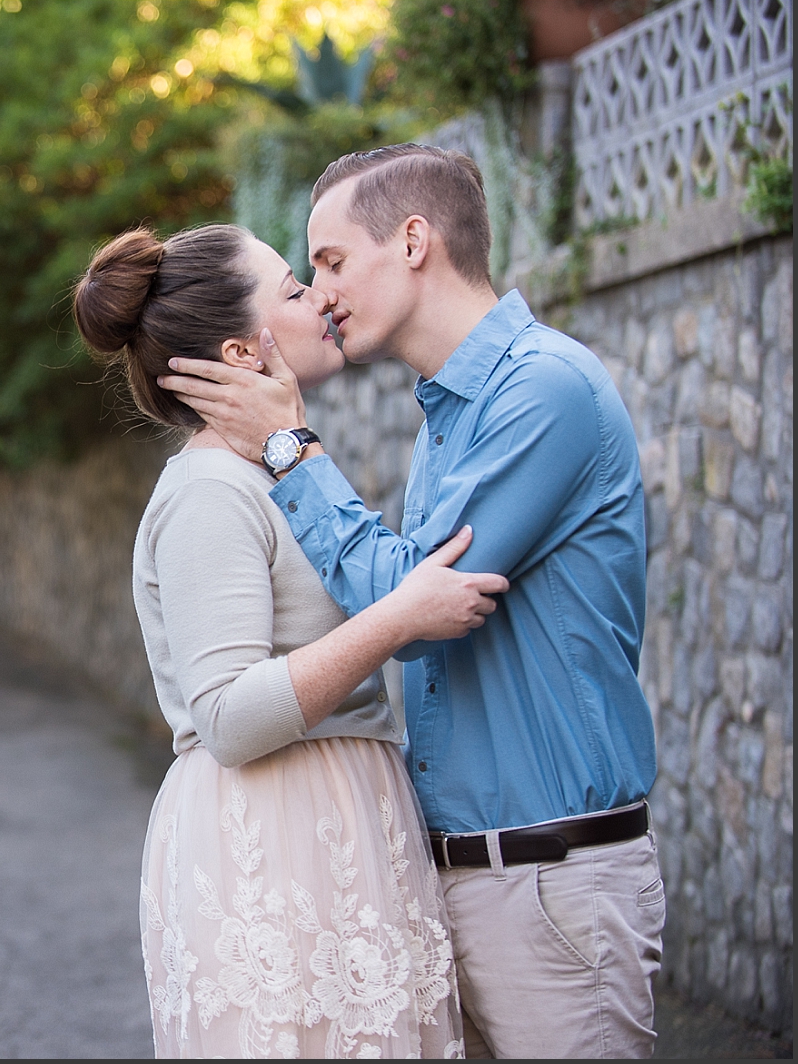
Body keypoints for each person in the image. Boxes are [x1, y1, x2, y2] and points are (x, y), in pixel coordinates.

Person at [157, 144, 665, 1059]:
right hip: (452, 877)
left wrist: (291, 452)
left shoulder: (540, 392)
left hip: (545, 875)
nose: (318, 292)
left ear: (416, 240)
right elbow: (403, 607)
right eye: (306, 272)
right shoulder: (449, 414)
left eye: (331, 260)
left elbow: (413, 604)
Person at [74, 223, 511, 1058]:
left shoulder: (280, 472)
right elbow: (230, 718)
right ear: (246, 351)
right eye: (294, 289)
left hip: (345, 814)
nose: (319, 296)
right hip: (270, 835)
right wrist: (399, 617)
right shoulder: (209, 493)